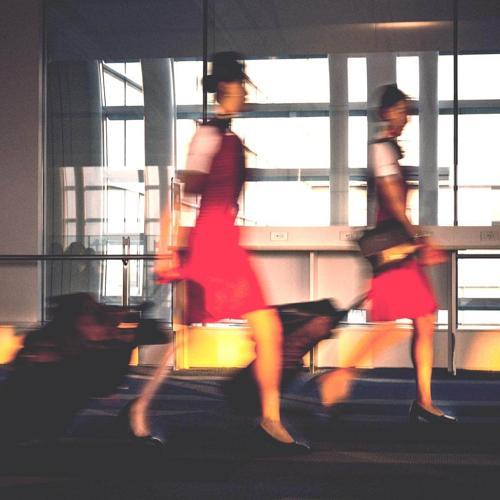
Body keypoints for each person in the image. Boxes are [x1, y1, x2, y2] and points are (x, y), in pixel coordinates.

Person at [128, 52, 309, 451]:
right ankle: (141, 407)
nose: (245, 93)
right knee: (203, 331)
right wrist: (166, 245)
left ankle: (270, 418)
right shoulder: (208, 135)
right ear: (226, 87)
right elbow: (182, 190)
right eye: (241, 85)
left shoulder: (225, 137)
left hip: (223, 240)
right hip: (212, 244)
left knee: (254, 330)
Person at [312, 84, 456, 424]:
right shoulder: (381, 149)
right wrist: (419, 238)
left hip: (398, 247)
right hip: (394, 249)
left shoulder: (388, 149)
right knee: (393, 325)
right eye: (399, 111)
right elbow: (393, 201)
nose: (405, 117)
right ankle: (339, 376)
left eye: (406, 112)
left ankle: (423, 400)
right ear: (384, 113)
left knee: (422, 320)